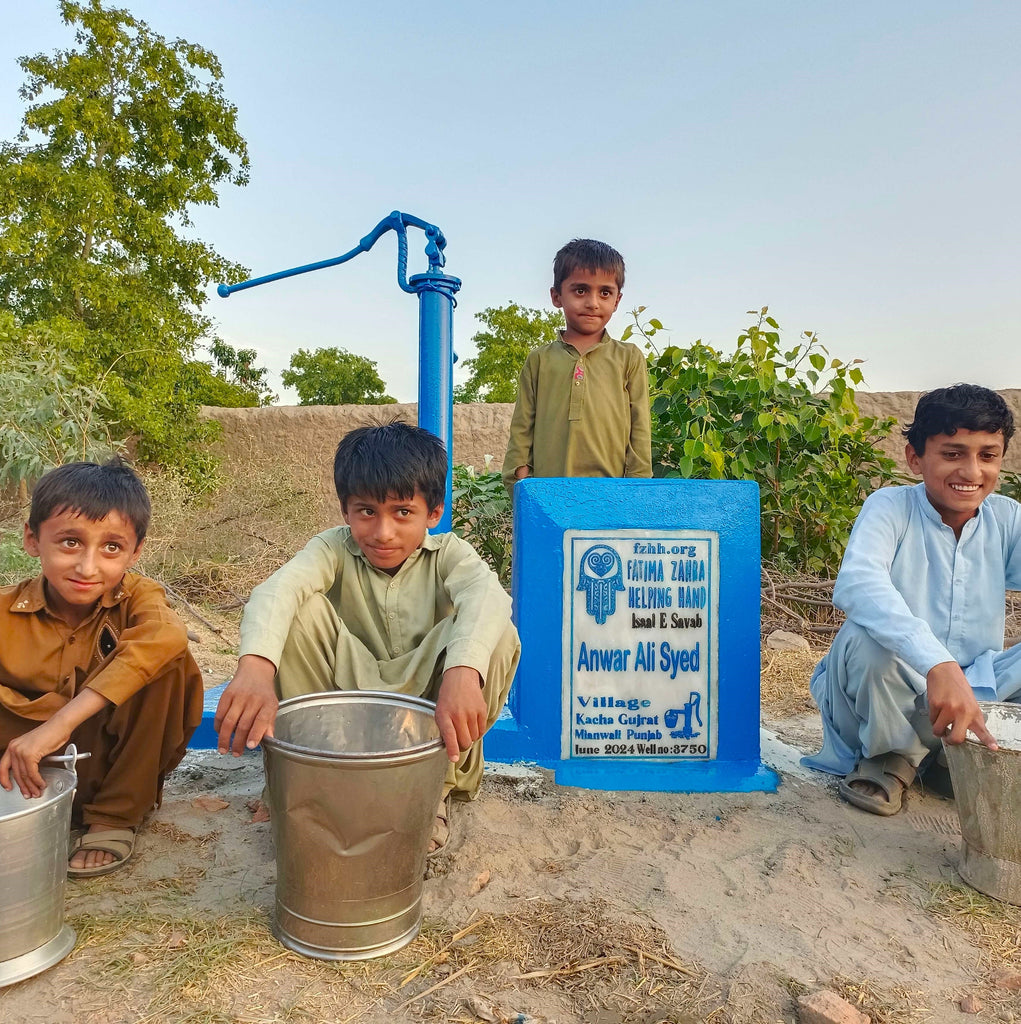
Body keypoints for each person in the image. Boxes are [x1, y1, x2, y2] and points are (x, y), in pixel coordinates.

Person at [214, 422, 520, 852]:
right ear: (345, 510)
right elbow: (278, 590)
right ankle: (306, 785)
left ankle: (431, 794)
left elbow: (486, 596)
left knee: (496, 631)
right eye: (366, 512)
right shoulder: (332, 549)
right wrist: (254, 669)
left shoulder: (450, 554)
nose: (383, 532)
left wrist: (464, 669)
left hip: (428, 715)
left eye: (402, 512)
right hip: (347, 711)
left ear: (433, 513)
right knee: (296, 611)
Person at [802, 384, 1021, 815]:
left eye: (987, 455)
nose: (972, 471)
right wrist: (938, 664)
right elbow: (858, 583)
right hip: (885, 695)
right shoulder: (890, 506)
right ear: (915, 458)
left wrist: (957, 674)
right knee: (866, 638)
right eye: (953, 453)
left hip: (972, 689)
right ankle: (890, 758)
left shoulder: (1007, 517)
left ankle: (950, 758)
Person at [0, 460, 203, 875]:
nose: (88, 567)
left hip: (108, 769)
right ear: (32, 538)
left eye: (112, 547)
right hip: (20, 776)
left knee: (168, 661)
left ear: (136, 551)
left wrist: (58, 724)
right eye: (70, 542)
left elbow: (167, 637)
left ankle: (113, 817)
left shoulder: (139, 599)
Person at [501, 238, 653, 492]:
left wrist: (636, 488)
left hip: (613, 493)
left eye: (605, 292)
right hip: (550, 493)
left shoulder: (628, 357)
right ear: (557, 296)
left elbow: (640, 427)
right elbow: (522, 426)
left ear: (616, 300)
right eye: (580, 290)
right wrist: (519, 479)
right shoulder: (539, 360)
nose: (593, 302)